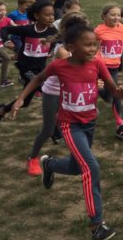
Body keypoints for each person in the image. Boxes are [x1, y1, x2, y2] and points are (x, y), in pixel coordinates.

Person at [10, 23, 123, 240]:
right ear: (72, 47)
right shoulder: (59, 65)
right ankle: (96, 226)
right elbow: (37, 79)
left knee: (76, 167)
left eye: (95, 45)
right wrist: (20, 99)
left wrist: (119, 93)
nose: (93, 49)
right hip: (69, 124)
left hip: (89, 122)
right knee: (91, 167)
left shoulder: (97, 64)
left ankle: (49, 165)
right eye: (88, 45)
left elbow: (112, 88)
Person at [27, 12, 90, 176]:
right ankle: (32, 158)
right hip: (54, 92)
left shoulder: (80, 46)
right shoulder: (63, 51)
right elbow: (77, 72)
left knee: (74, 124)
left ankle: (76, 155)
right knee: (48, 130)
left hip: (70, 91)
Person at [0, 0, 58, 128]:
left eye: (52, 14)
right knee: (45, 88)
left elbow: (60, 40)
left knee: (25, 102)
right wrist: (6, 40)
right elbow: (5, 30)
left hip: (40, 69)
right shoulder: (27, 30)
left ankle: (1, 110)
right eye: (47, 14)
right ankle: (55, 130)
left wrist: (51, 50)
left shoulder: (53, 31)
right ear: (37, 15)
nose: (51, 17)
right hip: (25, 67)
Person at [94, 4, 123, 138]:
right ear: (104, 16)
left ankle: (99, 90)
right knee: (115, 94)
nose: (116, 17)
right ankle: (120, 125)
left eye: (118, 15)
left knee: (111, 96)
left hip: (114, 67)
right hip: (100, 66)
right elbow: (94, 49)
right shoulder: (98, 30)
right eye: (112, 15)